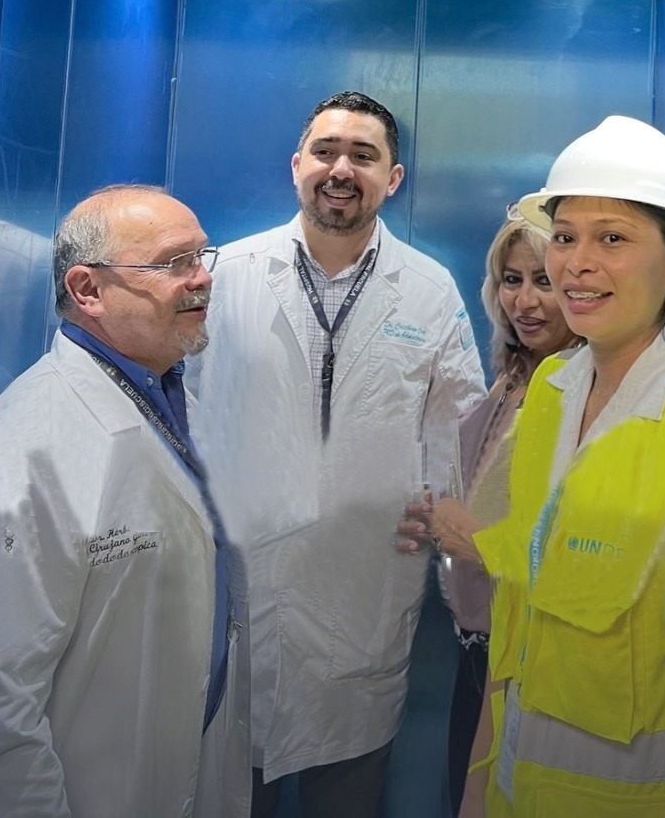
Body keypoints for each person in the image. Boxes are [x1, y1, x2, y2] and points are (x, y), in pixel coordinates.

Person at [425, 115, 665, 817]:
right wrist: (475, 795)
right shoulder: (552, 393)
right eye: (565, 236)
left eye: (613, 239)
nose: (576, 263)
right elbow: (517, 629)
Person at [189, 90, 487, 817]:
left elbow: (457, 434)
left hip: (364, 595)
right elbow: (181, 408)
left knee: (348, 792)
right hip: (239, 588)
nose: (341, 169)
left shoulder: (428, 290)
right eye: (325, 151)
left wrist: (438, 531)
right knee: (227, 789)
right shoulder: (225, 274)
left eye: (363, 155)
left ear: (394, 177)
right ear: (297, 165)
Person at [0, 184, 250, 818]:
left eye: (202, 256)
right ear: (88, 289)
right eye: (173, 263)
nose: (202, 278)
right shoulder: (22, 444)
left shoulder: (180, 407)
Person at [398, 217, 580, 814]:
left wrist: (473, 541)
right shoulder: (516, 374)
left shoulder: (583, 388)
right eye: (511, 279)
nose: (523, 302)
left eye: (544, 281)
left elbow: (579, 547)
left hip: (527, 651)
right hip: (478, 641)